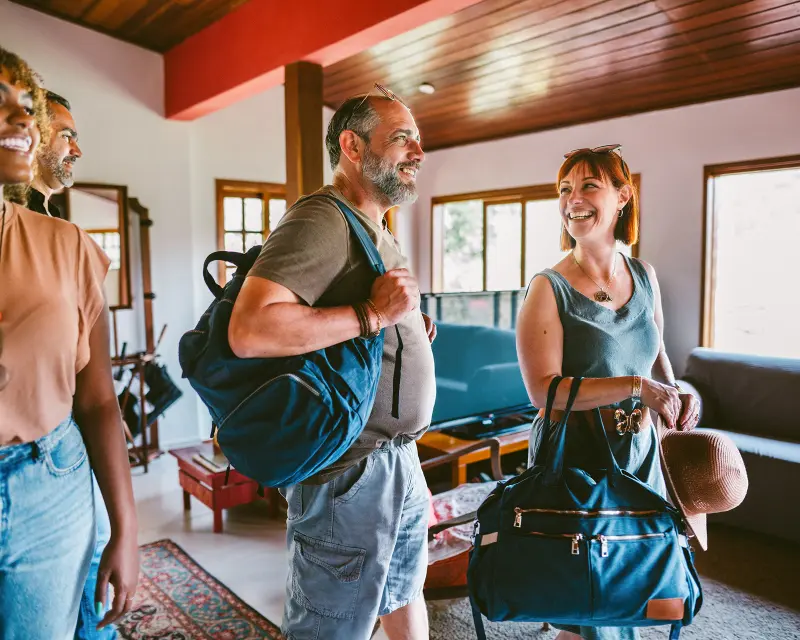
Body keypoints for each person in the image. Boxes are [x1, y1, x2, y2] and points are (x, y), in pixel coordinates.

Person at [229, 84, 436, 640]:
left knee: (403, 593)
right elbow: (250, 330)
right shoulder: (322, 219)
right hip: (352, 474)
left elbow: (355, 317)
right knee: (329, 627)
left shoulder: (376, 227)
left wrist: (407, 332)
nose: (418, 152)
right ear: (352, 145)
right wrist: (372, 315)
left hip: (398, 461)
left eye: (418, 140)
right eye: (401, 139)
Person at [515, 144, 700, 640]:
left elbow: (657, 353)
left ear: (623, 196)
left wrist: (679, 392)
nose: (573, 199)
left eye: (588, 186)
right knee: (584, 599)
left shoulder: (645, 276)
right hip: (577, 457)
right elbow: (543, 393)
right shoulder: (547, 288)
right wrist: (638, 388)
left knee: (630, 589)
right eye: (565, 189)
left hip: (639, 456)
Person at [0, 47, 138, 639]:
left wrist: (124, 529)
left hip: (47, 475)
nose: (22, 123)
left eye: (27, 110)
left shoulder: (65, 242)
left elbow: (97, 399)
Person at [26, 90, 81, 219]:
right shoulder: (8, 214)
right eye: (66, 136)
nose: (78, 152)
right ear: (35, 136)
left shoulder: (51, 214)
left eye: (75, 141)